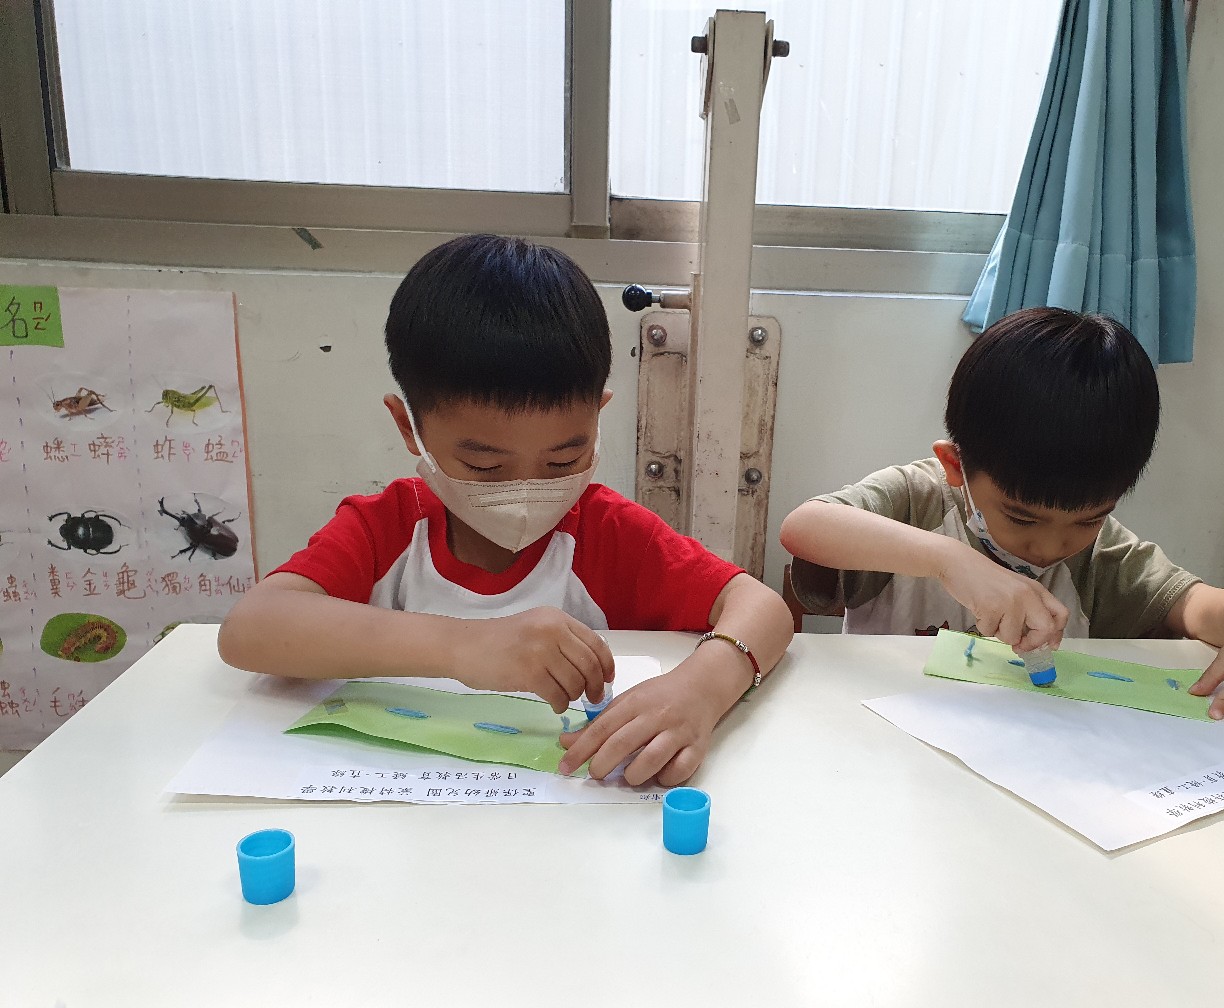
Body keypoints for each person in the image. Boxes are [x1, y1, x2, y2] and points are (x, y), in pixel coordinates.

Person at [219, 233, 794, 785]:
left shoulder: (607, 533)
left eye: (564, 459)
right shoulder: (389, 528)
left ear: (598, 416)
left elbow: (762, 608)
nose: (525, 491)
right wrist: (464, 645)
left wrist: (699, 690)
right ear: (408, 427)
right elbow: (251, 629)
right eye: (485, 466)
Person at [780, 307, 1224, 735]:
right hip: (883, 747)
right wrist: (949, 561)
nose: (1052, 546)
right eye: (1021, 517)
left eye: (1088, 520)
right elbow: (804, 526)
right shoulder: (919, 503)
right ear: (955, 466)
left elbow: (1195, 605)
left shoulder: (1102, 557)